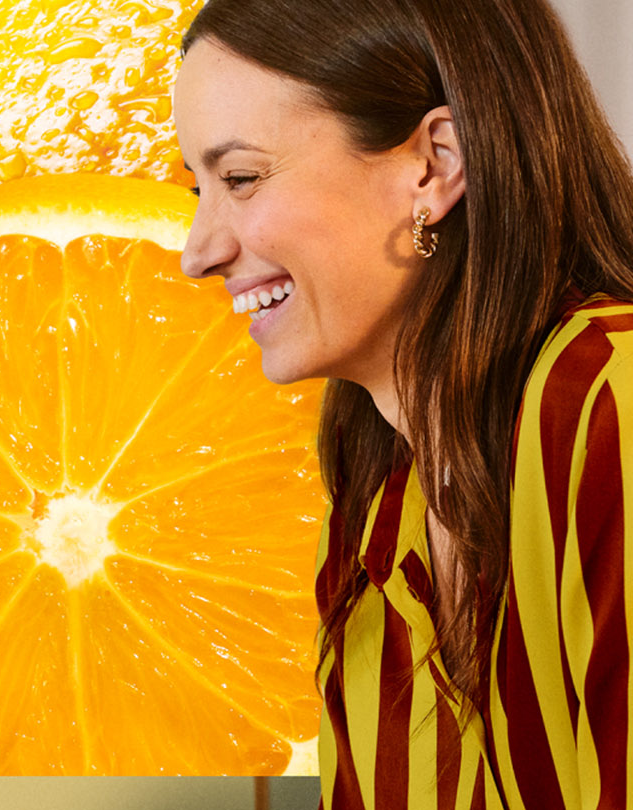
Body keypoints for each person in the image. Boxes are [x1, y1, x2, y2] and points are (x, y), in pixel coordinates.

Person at [174, 0, 633, 807]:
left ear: (434, 166)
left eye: (241, 178)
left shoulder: (610, 403)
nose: (199, 251)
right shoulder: (374, 504)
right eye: (199, 188)